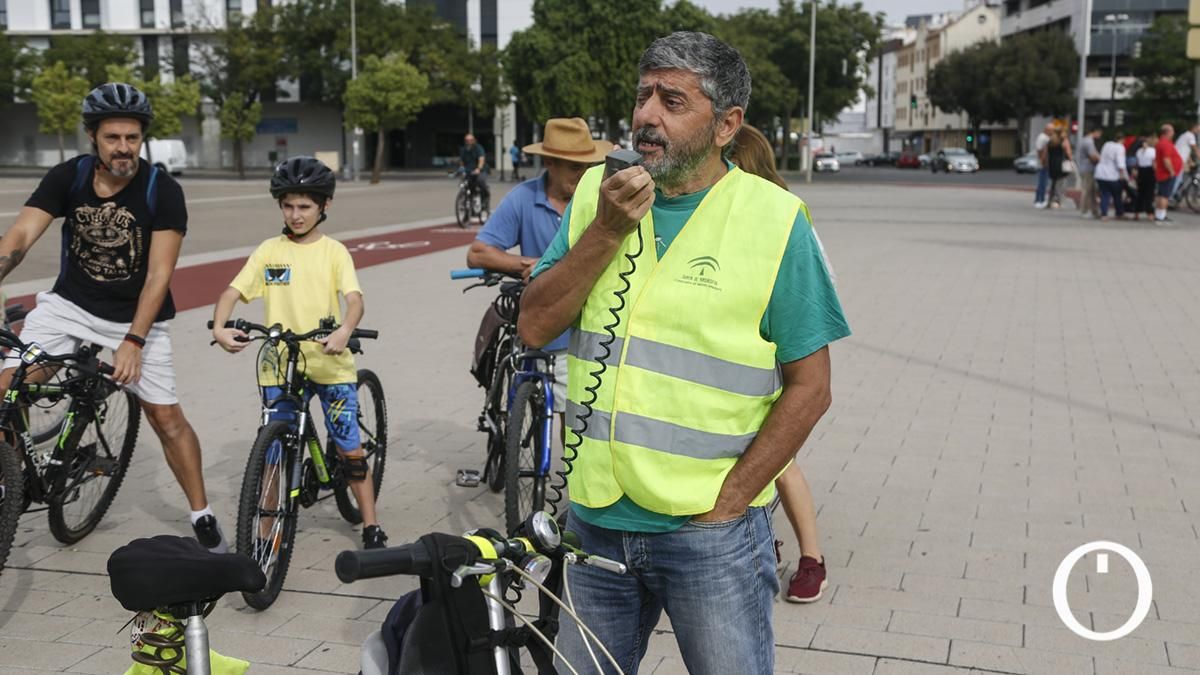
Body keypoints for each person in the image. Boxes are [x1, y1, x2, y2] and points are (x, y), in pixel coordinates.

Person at [519, 32, 850, 673]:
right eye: (643, 95)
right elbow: (534, 324)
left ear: (726, 124)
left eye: (673, 100)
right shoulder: (597, 194)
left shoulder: (776, 219)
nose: (646, 115)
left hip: (711, 535)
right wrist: (607, 230)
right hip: (595, 521)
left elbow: (812, 387)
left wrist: (734, 498)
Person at [0, 82, 228, 551]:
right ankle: (13, 483)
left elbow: (159, 275)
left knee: (166, 419)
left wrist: (135, 341)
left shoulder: (160, 190)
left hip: (137, 317)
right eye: (113, 138)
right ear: (92, 137)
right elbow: (20, 237)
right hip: (68, 308)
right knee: (9, 388)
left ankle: (201, 514)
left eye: (132, 138)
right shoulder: (68, 177)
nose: (124, 147)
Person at [211, 157, 387, 550]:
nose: (296, 214)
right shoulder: (269, 251)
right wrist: (221, 326)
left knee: (349, 448)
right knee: (273, 452)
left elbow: (355, 301)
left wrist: (344, 330)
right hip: (279, 366)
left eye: (305, 206)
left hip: (329, 361)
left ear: (324, 207)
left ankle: (371, 524)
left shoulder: (334, 252)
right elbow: (231, 293)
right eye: (288, 206)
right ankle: (265, 532)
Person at [728, 123, 829, 603]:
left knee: (778, 458)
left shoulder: (782, 215)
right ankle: (765, 540)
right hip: (736, 353)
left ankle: (812, 558)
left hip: (772, 353)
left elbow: (815, 290)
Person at [465, 118, 611, 433]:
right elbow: (478, 252)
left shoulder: (600, 199)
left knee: (576, 426)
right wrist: (526, 264)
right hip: (545, 325)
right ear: (548, 162)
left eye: (588, 166)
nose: (583, 174)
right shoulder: (523, 197)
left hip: (590, 326)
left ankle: (568, 479)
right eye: (574, 167)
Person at [1094, 129, 1129, 221]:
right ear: (1122, 139)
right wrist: (1122, 175)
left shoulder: (1107, 144)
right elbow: (1120, 162)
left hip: (1100, 173)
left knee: (1105, 194)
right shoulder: (1120, 147)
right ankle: (1119, 213)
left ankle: (1104, 213)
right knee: (1117, 194)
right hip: (1112, 175)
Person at [1154, 123, 1182, 225]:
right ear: (1167, 132)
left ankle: (1158, 215)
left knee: (1161, 194)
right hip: (1167, 174)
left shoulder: (1161, 142)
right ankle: (1161, 216)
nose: (1173, 133)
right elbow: (1166, 159)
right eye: (1172, 131)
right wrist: (1171, 171)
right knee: (1165, 195)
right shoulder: (1165, 144)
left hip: (1162, 173)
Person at [460, 133, 491, 211]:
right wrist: (461, 168)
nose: (469, 142)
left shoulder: (478, 148)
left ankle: (485, 197)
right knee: (467, 185)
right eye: (467, 140)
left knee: (480, 181)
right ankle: (468, 212)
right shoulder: (463, 149)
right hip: (469, 171)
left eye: (470, 140)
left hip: (481, 170)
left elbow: (481, 159)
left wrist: (478, 169)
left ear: (474, 140)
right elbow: (462, 161)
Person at [1076, 127, 1102, 219]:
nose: (1100, 136)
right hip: (1088, 168)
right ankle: (1084, 210)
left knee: (1092, 191)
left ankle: (1094, 211)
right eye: (1099, 133)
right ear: (1095, 132)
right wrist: (1101, 160)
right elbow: (1092, 155)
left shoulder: (1084, 140)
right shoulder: (1089, 142)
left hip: (1085, 168)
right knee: (1087, 190)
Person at [1046, 126, 1072, 209]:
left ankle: (1049, 201)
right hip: (1061, 164)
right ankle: (1057, 201)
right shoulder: (1063, 141)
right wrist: (1070, 159)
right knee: (1061, 183)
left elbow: (1046, 153)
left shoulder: (1050, 141)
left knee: (1053, 184)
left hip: (1052, 163)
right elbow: (1068, 153)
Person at [1135, 133, 1157, 220]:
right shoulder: (1153, 151)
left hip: (1141, 172)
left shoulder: (1139, 151)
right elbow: (1154, 164)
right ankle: (1150, 213)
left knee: (1140, 193)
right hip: (1149, 172)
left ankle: (1136, 213)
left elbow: (1137, 163)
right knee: (1149, 194)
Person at [1034, 122, 1053, 208]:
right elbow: (1040, 150)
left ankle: (1039, 200)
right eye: (1051, 130)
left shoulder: (1046, 137)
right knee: (1042, 182)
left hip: (1044, 163)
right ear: (1047, 129)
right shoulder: (1042, 138)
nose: (1052, 132)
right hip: (1043, 163)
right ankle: (1040, 200)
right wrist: (1042, 161)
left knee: (1043, 182)